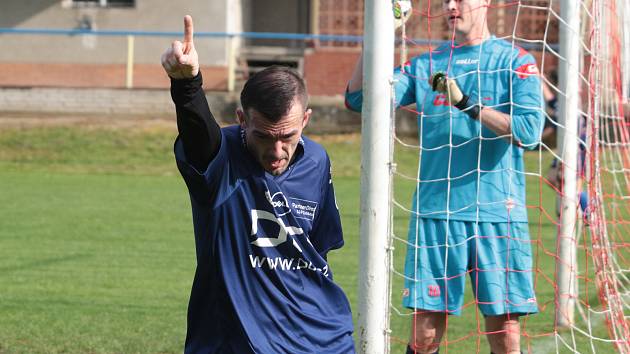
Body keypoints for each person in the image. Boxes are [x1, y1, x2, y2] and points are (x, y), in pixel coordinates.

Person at [345, 1, 544, 353]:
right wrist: (378, 37)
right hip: (437, 214)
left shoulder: (516, 61)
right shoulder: (427, 65)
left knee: (506, 335)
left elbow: (529, 133)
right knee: (423, 336)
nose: (451, 6)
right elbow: (359, 99)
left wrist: (466, 103)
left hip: (498, 214)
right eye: (445, 1)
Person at [161, 15, 355, 354]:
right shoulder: (222, 158)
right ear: (241, 120)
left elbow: (317, 250)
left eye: (288, 137)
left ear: (305, 120)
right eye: (264, 137)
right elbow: (199, 135)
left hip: (320, 337)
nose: (277, 151)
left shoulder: (317, 161)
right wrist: (187, 86)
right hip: (239, 341)